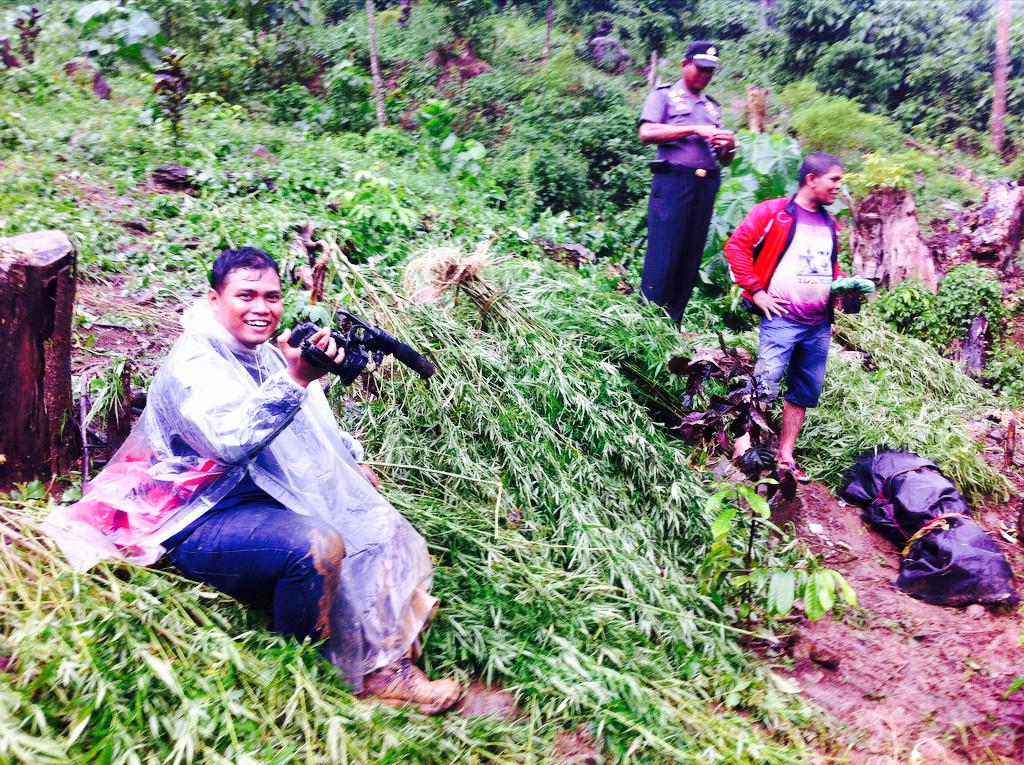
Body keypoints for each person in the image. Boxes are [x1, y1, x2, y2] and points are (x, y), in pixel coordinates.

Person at [44, 247, 461, 714]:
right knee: (316, 545)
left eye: (272, 296)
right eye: (246, 296)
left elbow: (310, 427)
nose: (261, 309)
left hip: (248, 495)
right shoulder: (195, 363)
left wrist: (348, 458)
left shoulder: (256, 351)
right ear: (214, 298)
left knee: (369, 515)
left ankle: (389, 656)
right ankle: (319, 672)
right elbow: (231, 441)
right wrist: (296, 377)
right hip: (193, 513)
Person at [724, 153, 870, 481]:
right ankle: (743, 441)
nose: (838, 187)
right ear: (811, 179)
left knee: (803, 391)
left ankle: (785, 456)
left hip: (818, 323)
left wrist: (844, 287)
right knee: (765, 383)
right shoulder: (774, 213)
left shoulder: (830, 223)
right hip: (781, 317)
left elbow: (828, 267)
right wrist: (756, 290)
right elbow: (736, 247)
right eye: (834, 179)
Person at [638, 40, 736, 325]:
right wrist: (693, 128)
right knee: (664, 252)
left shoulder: (713, 107)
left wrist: (728, 146)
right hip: (673, 182)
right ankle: (647, 320)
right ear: (685, 65)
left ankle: (673, 323)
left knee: (690, 254)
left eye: (711, 71)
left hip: (705, 185)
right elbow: (646, 132)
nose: (705, 75)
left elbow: (725, 159)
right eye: (701, 68)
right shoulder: (664, 96)